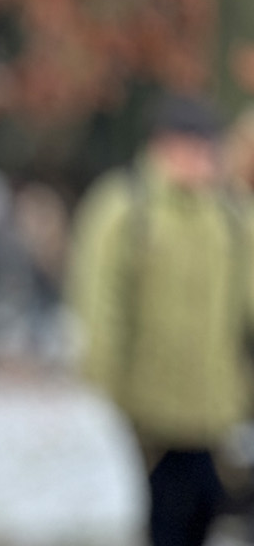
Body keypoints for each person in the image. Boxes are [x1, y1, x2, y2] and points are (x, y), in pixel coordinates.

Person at [70, 95, 254, 546]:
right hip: (149, 405)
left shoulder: (229, 215)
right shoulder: (125, 208)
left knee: (209, 507)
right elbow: (99, 304)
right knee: (166, 515)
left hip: (217, 403)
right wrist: (107, 384)